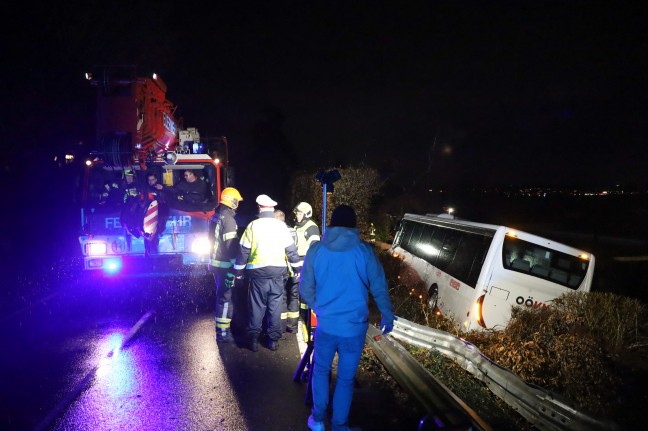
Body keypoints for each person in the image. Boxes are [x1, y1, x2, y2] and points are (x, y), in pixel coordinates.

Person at [300, 205, 395, 431]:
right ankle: (341, 425)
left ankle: (319, 419)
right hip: (354, 328)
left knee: (321, 371)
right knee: (345, 379)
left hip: (327, 325)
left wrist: (319, 307)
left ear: (331, 223)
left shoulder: (317, 250)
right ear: (354, 225)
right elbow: (379, 287)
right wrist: (387, 315)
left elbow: (305, 288)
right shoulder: (364, 252)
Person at [234, 194, 301, 352]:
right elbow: (291, 251)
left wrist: (238, 272)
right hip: (277, 273)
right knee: (275, 306)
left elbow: (243, 251)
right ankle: (273, 341)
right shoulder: (281, 226)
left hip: (257, 274)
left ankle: (253, 340)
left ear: (259, 208)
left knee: (256, 306)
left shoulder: (253, 226)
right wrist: (297, 269)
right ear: (272, 209)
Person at [209, 187, 244, 344]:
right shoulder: (229, 220)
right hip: (224, 265)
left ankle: (224, 329)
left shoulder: (216, 216)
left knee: (221, 296)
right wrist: (232, 269)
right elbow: (230, 246)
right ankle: (223, 333)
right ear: (233, 201)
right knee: (225, 298)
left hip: (216, 263)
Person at [293, 202, 321, 332]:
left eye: (299, 213)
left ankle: (307, 319)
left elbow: (315, 248)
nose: (297, 216)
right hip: (297, 262)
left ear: (306, 214)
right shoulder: (297, 227)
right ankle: (302, 316)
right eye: (297, 213)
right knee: (297, 292)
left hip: (306, 263)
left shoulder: (311, 227)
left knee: (305, 293)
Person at [274, 209, 298, 332]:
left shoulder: (275, 231)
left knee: (281, 297)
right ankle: (293, 327)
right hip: (293, 269)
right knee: (293, 297)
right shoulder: (293, 230)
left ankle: (281, 328)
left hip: (281, 269)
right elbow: (295, 250)